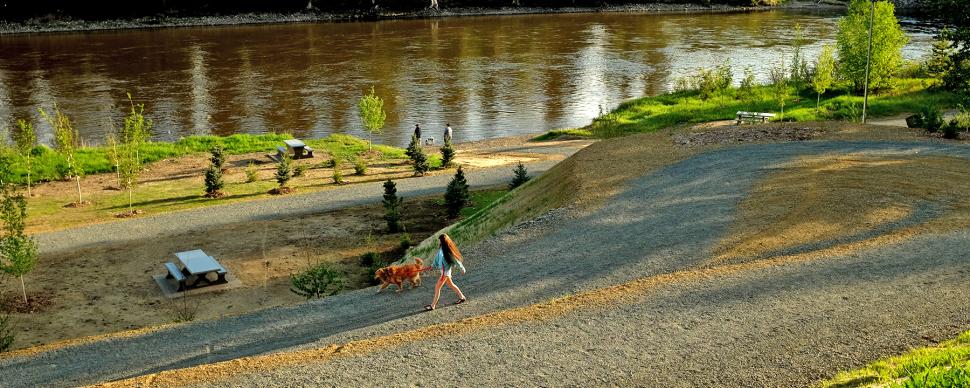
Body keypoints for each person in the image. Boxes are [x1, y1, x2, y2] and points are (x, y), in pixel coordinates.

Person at [420, 233, 466, 311]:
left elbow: (456, 260)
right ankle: (462, 297)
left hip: (445, 272)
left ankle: (432, 305)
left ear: (442, 241)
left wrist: (462, 268)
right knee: (451, 285)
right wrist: (432, 266)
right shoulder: (441, 250)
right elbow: (436, 259)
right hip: (444, 272)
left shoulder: (448, 250)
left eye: (440, 240)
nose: (439, 242)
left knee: (437, 287)